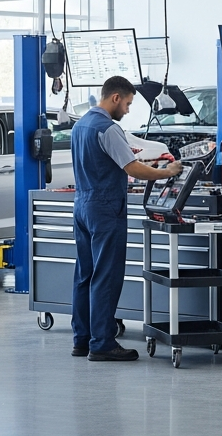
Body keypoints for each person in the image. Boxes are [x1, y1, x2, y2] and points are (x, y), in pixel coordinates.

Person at [72, 75, 182, 362]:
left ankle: (82, 340)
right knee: (106, 276)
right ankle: (102, 343)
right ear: (116, 97)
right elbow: (132, 168)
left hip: (82, 205)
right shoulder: (109, 128)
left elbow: (111, 161)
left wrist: (148, 164)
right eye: (128, 104)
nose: (128, 110)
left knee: (85, 275)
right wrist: (166, 172)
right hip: (105, 208)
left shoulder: (80, 125)